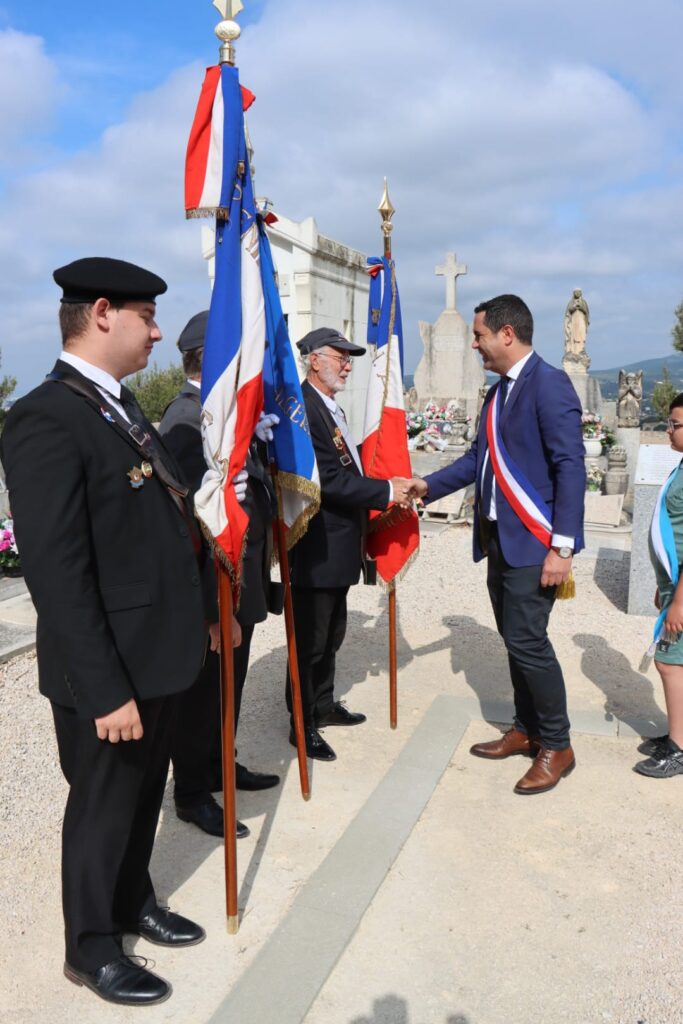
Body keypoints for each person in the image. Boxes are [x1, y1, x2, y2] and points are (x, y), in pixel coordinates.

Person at [1, 258, 211, 1007]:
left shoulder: (115, 406)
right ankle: (90, 946)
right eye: (146, 317)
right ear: (101, 314)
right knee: (102, 804)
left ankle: (132, 900)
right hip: (109, 669)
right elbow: (56, 573)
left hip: (153, 655)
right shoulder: (46, 416)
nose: (159, 331)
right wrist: (105, 688)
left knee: (141, 791)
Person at [410, 295, 585, 794]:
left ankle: (558, 744)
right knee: (515, 639)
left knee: (529, 642)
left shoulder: (548, 384)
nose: (475, 344)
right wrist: (429, 486)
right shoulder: (497, 393)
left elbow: (570, 467)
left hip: (535, 544)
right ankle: (527, 729)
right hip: (500, 542)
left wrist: (563, 547)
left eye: (479, 335)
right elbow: (476, 461)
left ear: (507, 335)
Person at [159, 310, 280, 839]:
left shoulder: (225, 415)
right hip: (216, 587)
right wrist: (214, 608)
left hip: (241, 578)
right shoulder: (189, 420)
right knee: (203, 694)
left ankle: (218, 764)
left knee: (229, 688)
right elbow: (194, 525)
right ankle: (191, 791)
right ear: (211, 359)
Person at [287, 327, 413, 761]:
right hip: (316, 547)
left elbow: (348, 462)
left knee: (332, 634)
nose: (347, 364)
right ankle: (300, 725)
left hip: (339, 546)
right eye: (339, 356)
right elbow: (331, 480)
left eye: (349, 357)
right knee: (310, 641)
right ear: (313, 359)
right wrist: (385, 493)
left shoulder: (329, 408)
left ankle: (322, 705)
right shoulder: (304, 409)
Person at [635, 393, 683, 778]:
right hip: (674, 582)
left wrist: (679, 601)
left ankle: (679, 749)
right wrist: (662, 582)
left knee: (669, 663)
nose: (669, 430)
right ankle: (676, 734)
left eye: (676, 424)